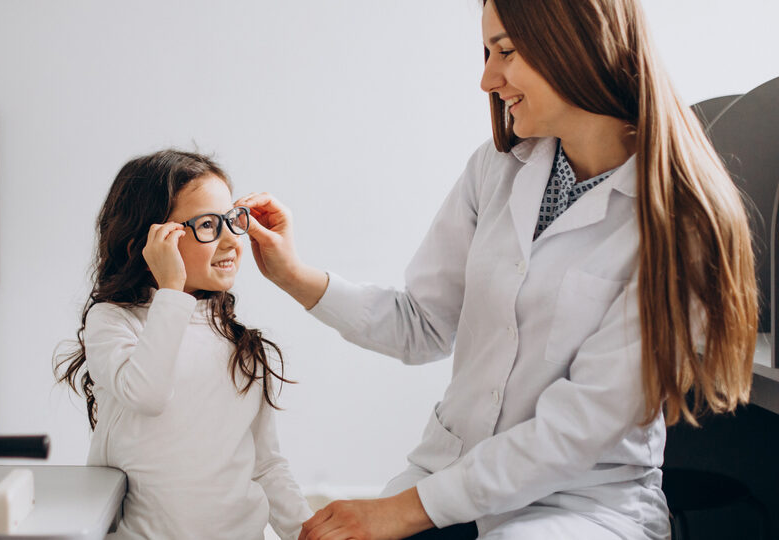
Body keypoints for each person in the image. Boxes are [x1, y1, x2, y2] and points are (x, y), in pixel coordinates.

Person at [236, 0, 758, 538]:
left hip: (578, 503)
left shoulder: (679, 222)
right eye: (487, 51)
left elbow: (572, 432)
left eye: (505, 51)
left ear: (578, 44)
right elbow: (424, 324)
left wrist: (397, 511)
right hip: (449, 467)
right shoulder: (498, 167)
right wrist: (292, 273)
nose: (487, 77)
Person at [54, 149, 312, 539]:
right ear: (149, 242)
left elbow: (266, 464)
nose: (229, 239)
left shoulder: (240, 345)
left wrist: (307, 532)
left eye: (231, 221)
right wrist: (171, 289)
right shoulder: (112, 321)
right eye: (207, 224)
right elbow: (149, 393)